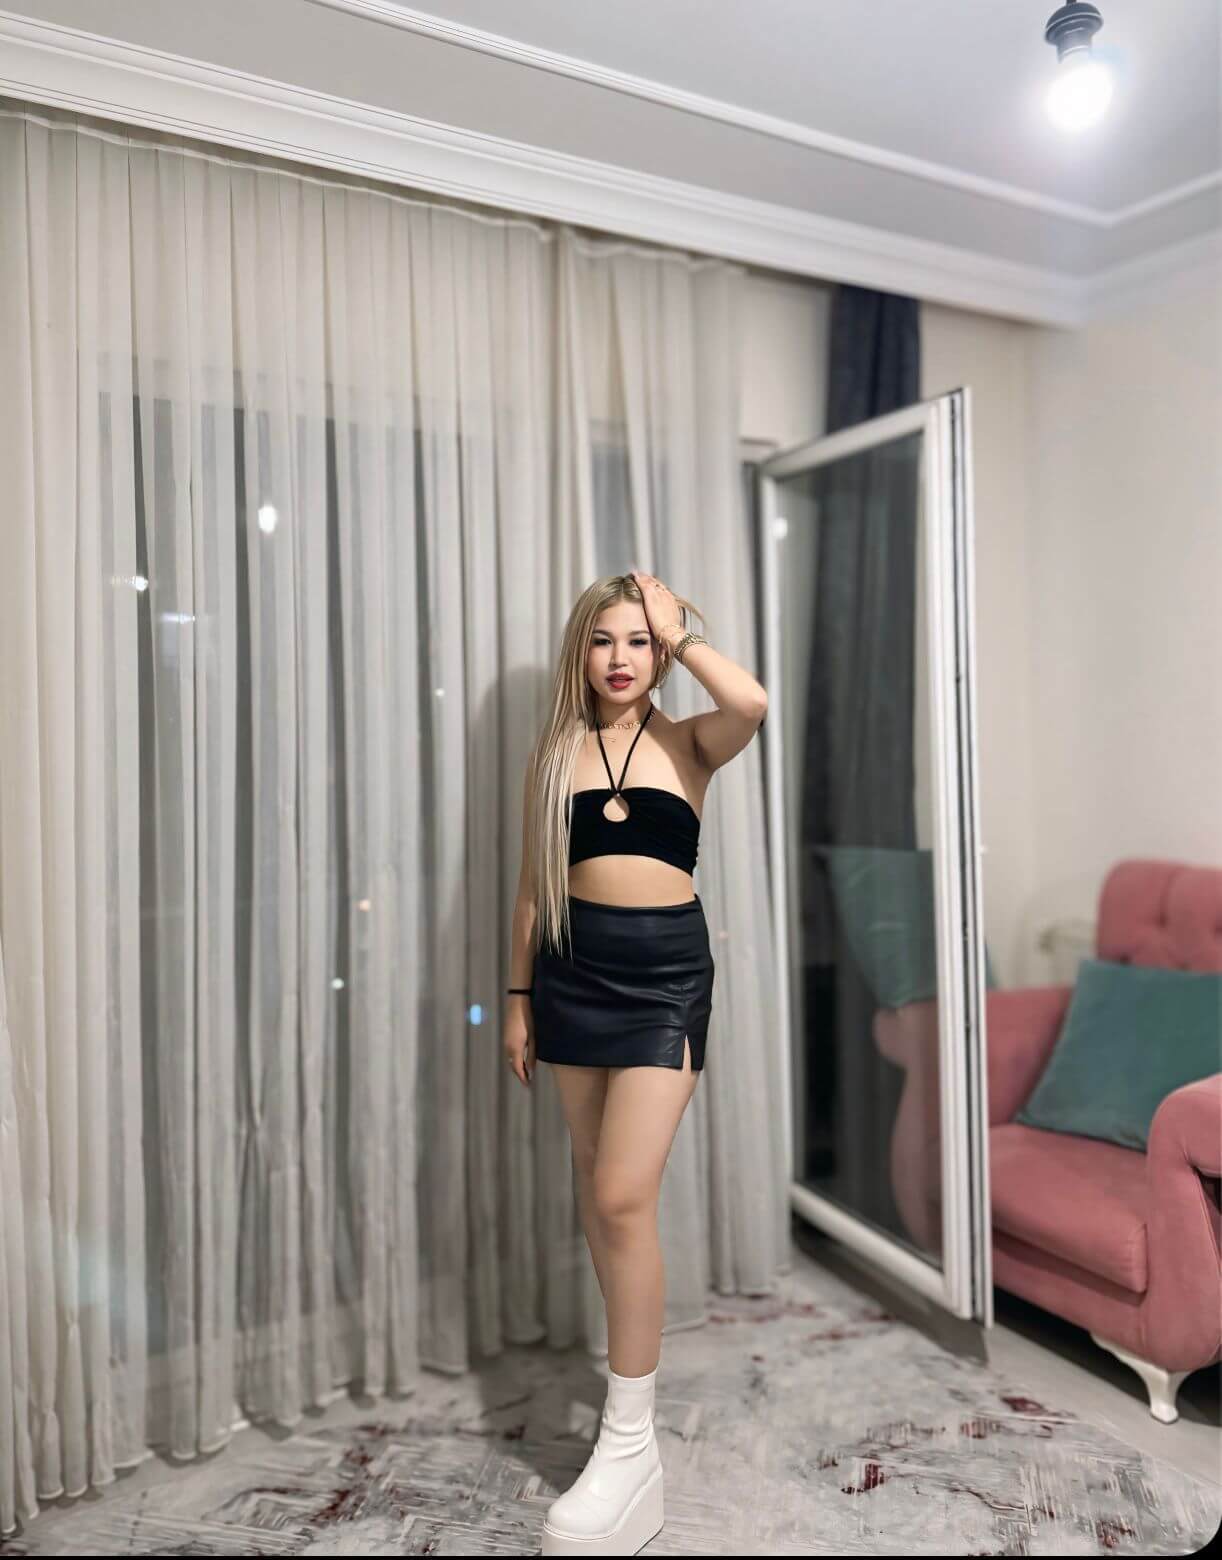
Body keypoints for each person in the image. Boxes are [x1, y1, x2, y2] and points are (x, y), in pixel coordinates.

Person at [502, 569, 768, 1556]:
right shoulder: (553, 756)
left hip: (662, 984)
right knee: (597, 1187)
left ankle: (626, 1441)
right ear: (580, 651)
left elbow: (751, 702)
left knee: (621, 1193)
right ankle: (629, 1429)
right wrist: (517, 999)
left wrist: (679, 630)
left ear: (661, 650)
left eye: (639, 641)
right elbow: (532, 890)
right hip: (571, 979)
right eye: (604, 639)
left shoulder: (692, 741)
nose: (621, 657)